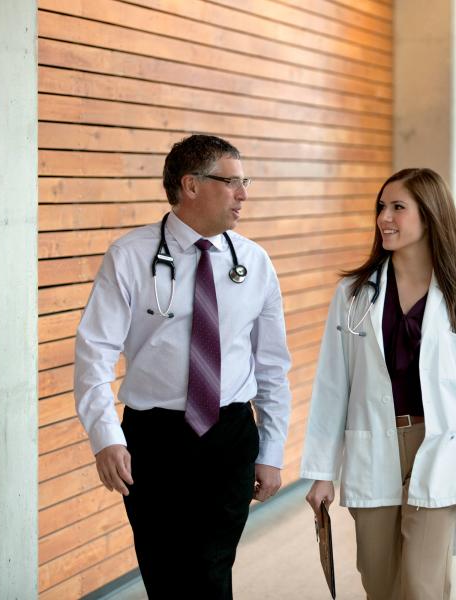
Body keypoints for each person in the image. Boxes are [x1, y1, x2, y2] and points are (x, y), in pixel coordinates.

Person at [73, 134, 292, 599]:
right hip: (155, 441)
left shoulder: (254, 262)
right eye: (232, 182)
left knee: (211, 569)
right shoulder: (130, 256)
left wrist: (271, 449)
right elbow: (94, 354)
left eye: (245, 182)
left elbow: (272, 365)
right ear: (191, 185)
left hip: (230, 435)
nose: (243, 194)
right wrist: (105, 437)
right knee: (165, 572)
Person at [301, 168, 456, 600]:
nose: (384, 218)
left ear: (430, 216)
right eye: (382, 207)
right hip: (373, 442)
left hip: (440, 444)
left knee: (421, 585)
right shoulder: (354, 294)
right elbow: (332, 386)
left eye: (398, 207)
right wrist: (321, 472)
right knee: (380, 583)